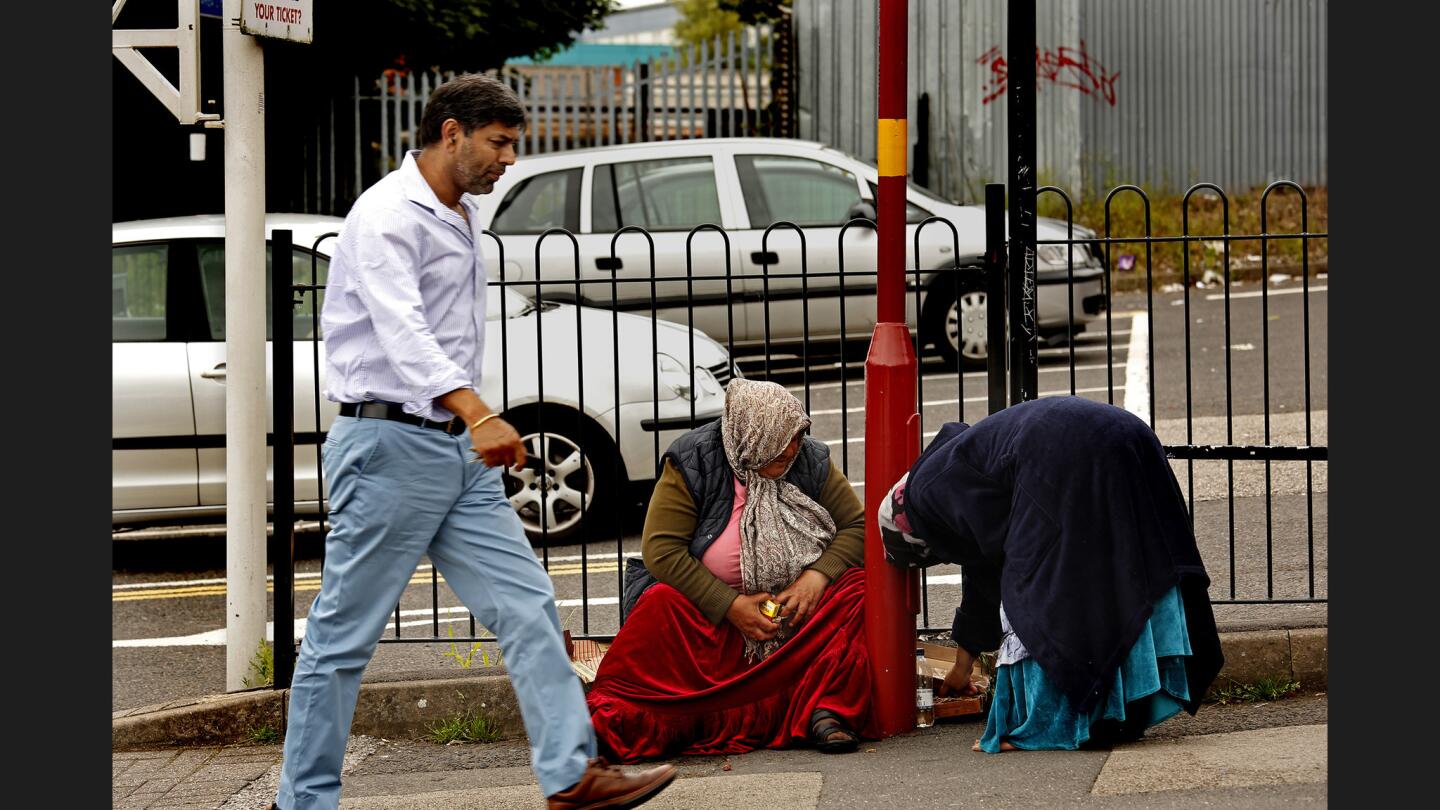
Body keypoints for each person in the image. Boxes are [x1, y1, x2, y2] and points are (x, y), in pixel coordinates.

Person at [272, 74, 675, 810]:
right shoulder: (388, 216)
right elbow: (402, 333)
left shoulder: (458, 214)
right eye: (498, 144)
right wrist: (479, 411)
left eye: (512, 146)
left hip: (455, 449)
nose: (508, 161)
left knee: (528, 607)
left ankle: (569, 773)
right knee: (342, 639)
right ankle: (303, 802)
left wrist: (472, 422)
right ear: (450, 132)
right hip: (390, 444)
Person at [876, 396, 1224, 753]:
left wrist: (965, 662)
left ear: (916, 539)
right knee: (1125, 571)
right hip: (1127, 433)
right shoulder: (950, 462)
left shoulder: (928, 493)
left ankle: (1051, 724)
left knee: (1036, 591)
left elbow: (986, 569)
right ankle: (1125, 711)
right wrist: (963, 667)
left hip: (1063, 452)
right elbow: (981, 565)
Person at [587, 379, 873, 761]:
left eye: (796, 437)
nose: (791, 449)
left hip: (797, 618)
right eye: (779, 441)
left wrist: (816, 577)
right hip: (715, 625)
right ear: (750, 437)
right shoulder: (694, 460)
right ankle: (646, 718)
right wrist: (731, 606)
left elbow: (859, 527)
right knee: (660, 603)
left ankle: (824, 708)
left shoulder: (809, 459)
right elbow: (661, 550)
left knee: (859, 588)